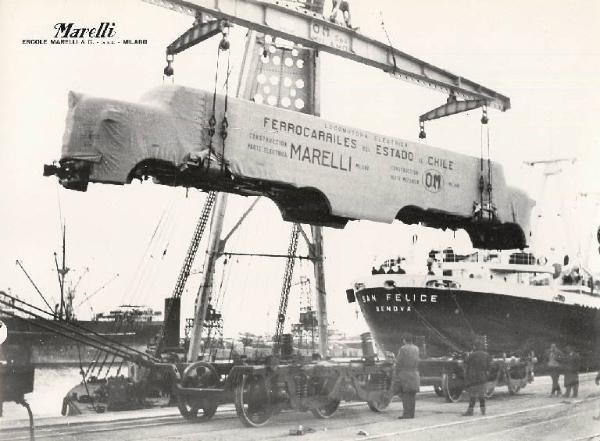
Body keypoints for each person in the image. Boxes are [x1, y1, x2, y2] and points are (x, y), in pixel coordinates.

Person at [394, 332, 420, 419]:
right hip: (414, 373)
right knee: (412, 395)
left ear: (404, 340)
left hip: (405, 374)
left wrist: (396, 373)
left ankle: (406, 414)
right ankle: (411, 414)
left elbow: (398, 361)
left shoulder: (403, 348)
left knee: (405, 395)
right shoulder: (416, 348)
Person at [462, 340, 491, 416]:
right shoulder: (486, 355)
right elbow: (489, 367)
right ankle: (483, 411)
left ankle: (470, 411)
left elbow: (465, 363)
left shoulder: (471, 355)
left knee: (472, 395)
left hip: (473, 378)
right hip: (483, 378)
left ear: (475, 347)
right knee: (482, 395)